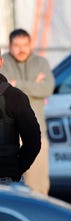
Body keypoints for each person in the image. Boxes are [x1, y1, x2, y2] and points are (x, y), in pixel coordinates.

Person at [1, 29, 55, 194]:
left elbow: (47, 88)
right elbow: (7, 89)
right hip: (9, 136)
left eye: (25, 45)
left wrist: (18, 84)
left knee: (38, 190)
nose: (21, 49)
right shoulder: (5, 62)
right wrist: (33, 84)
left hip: (35, 132)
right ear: (9, 46)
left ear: (30, 45)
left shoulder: (41, 62)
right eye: (16, 45)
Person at [0, 54, 41, 184]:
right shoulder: (15, 96)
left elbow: (33, 141)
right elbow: (33, 141)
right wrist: (16, 168)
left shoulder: (14, 97)